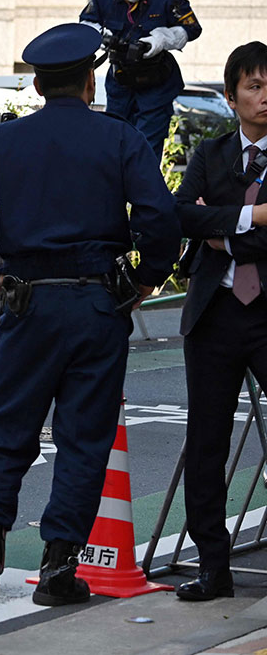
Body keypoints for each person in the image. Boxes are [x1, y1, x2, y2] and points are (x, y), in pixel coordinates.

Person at [0, 23, 180, 606]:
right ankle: (57, 569)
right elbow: (160, 218)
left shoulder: (4, 142)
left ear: (40, 84)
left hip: (28, 304)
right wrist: (146, 278)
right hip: (98, 303)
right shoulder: (119, 138)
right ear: (90, 80)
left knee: (9, 428)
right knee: (84, 437)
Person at [173, 42, 267, 601]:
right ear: (230, 96)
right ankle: (213, 566)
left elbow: (205, 220)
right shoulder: (210, 153)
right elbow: (181, 214)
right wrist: (251, 216)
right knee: (207, 441)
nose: (264, 96)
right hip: (215, 313)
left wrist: (222, 229)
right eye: (254, 86)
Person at [80, 0, 202, 160]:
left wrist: (161, 39)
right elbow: (86, 23)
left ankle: (143, 186)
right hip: (120, 80)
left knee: (147, 146)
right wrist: (102, 36)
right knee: (114, 138)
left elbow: (192, 28)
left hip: (156, 82)